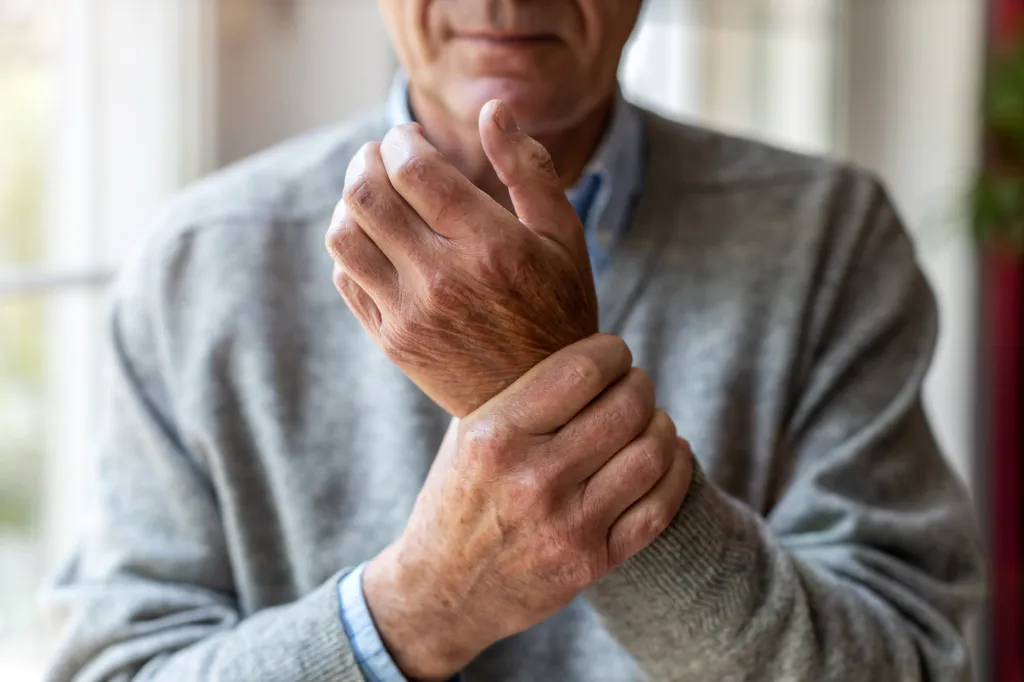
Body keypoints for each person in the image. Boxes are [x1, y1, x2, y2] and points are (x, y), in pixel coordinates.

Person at [46, 1, 984, 681]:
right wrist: (420, 608)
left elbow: (905, 661)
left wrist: (541, 382)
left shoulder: (825, 235)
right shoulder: (199, 261)